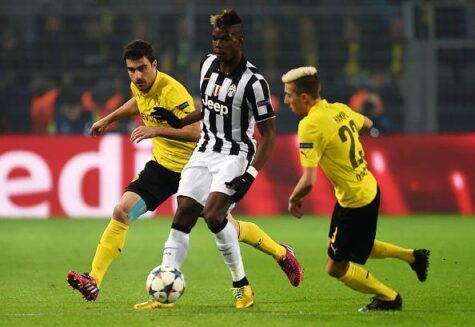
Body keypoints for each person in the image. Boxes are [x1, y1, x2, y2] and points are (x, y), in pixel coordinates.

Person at [66, 39, 302, 307]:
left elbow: (197, 131)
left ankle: (281, 253)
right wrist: (108, 119)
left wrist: (156, 130)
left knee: (224, 225)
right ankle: (93, 280)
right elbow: (139, 103)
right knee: (121, 210)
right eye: (131, 70)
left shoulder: (173, 92)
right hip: (163, 168)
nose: (137, 76)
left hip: (195, 165)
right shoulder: (139, 84)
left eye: (142, 68)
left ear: (154, 64)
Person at [149, 9, 302, 309]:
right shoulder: (207, 65)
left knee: (215, 215)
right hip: (205, 149)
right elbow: (208, 105)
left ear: (240, 40)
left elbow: (268, 135)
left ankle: (241, 285)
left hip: (235, 154)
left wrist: (251, 175)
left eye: (226, 38)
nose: (218, 44)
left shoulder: (254, 82)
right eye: (215, 38)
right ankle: (166, 282)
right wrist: (180, 121)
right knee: (184, 213)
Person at [281, 66, 430, 312]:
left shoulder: (309, 125)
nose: (286, 101)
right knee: (358, 244)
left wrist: (293, 199)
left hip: (355, 200)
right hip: (363, 189)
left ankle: (389, 298)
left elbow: (308, 180)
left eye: (289, 95)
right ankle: (413, 257)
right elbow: (368, 123)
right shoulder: (339, 109)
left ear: (304, 98)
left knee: (335, 266)